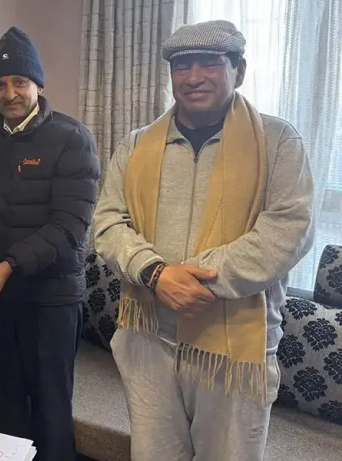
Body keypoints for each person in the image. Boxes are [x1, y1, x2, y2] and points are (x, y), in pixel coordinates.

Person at [94, 20, 314, 461]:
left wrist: (196, 280)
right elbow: (107, 222)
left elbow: (288, 231)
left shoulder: (277, 142)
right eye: (182, 65)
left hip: (232, 351)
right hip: (148, 339)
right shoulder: (136, 145)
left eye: (209, 63)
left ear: (239, 70)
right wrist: (155, 273)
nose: (193, 77)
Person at [0, 26, 100, 461]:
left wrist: (8, 265)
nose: (9, 93)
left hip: (52, 295)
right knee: (2, 396)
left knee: (50, 406)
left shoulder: (71, 137)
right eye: (0, 84)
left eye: (19, 82)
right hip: (0, 293)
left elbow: (70, 225)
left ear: (38, 84)